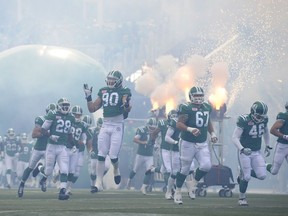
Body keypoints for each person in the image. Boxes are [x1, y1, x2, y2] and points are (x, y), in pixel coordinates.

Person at [83, 70, 132, 192]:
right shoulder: (103, 90)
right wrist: (88, 97)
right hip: (105, 124)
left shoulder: (124, 91)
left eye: (113, 80)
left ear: (119, 81)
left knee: (113, 155)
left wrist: (125, 104)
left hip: (117, 125)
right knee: (101, 154)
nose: (110, 82)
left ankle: (116, 169)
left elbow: (127, 105)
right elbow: (92, 108)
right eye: (109, 79)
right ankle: (98, 183)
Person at [173, 86, 218, 205]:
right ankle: (177, 191)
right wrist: (190, 129)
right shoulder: (186, 108)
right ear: (191, 97)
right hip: (187, 142)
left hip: (202, 142)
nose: (198, 98)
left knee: (206, 166)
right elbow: (179, 124)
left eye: (200, 96)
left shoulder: (207, 107)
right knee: (184, 169)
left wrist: (212, 133)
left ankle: (192, 183)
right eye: (196, 96)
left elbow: (207, 121)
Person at [232, 101, 272, 206]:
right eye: (258, 116)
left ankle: (260, 166)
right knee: (247, 177)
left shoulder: (264, 120)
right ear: (252, 112)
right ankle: (242, 199)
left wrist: (267, 145)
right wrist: (242, 149)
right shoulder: (244, 120)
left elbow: (266, 132)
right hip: (244, 152)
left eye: (262, 116)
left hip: (256, 151)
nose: (260, 118)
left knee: (262, 176)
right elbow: (234, 137)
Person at [36, 97, 75, 200]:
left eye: (67, 106)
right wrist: (50, 136)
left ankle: (62, 192)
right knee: (48, 171)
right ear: (58, 106)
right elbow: (43, 129)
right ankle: (40, 168)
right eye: (63, 106)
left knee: (64, 169)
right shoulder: (52, 114)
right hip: (51, 146)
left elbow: (70, 133)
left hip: (62, 147)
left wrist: (73, 144)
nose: (65, 108)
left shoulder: (71, 117)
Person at [17, 103, 58, 198]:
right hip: (38, 148)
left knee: (50, 167)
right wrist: (47, 133)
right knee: (30, 167)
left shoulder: (58, 122)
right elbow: (34, 134)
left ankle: (42, 176)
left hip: (48, 149)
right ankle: (22, 185)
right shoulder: (41, 120)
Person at [126, 117, 158, 194]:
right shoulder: (142, 130)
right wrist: (144, 142)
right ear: (147, 125)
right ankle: (129, 180)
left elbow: (156, 142)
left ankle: (143, 187)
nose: (152, 129)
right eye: (151, 127)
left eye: (153, 127)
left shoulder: (156, 132)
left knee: (149, 171)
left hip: (149, 155)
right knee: (135, 170)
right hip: (140, 154)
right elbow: (135, 139)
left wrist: (156, 146)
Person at [266, 102, 288, 175]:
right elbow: (272, 130)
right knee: (274, 171)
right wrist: (285, 136)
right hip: (282, 146)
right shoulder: (283, 116)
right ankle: (264, 164)